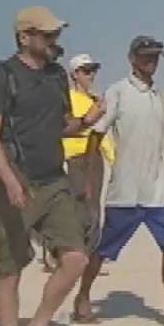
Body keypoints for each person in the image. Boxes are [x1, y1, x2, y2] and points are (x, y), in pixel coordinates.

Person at [0, 5, 104, 326]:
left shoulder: (54, 77)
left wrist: (84, 122)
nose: (54, 42)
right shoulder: (1, 76)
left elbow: (60, 127)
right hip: (12, 185)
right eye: (47, 35)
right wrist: (10, 180)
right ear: (25, 37)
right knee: (11, 269)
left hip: (53, 180)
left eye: (56, 35)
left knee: (76, 258)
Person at [73, 35, 164, 326]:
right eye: (146, 57)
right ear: (132, 59)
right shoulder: (118, 92)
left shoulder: (157, 95)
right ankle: (82, 298)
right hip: (126, 193)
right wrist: (90, 180)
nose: (151, 62)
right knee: (103, 251)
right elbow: (95, 136)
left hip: (158, 190)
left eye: (155, 57)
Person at [41, 53, 115, 272]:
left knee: (93, 207)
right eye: (86, 70)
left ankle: (89, 255)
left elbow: (101, 134)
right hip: (72, 158)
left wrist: (114, 160)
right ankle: (57, 253)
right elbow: (63, 128)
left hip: (94, 158)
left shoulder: (96, 101)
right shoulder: (68, 99)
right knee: (73, 206)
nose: (91, 75)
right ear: (75, 74)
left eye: (93, 70)